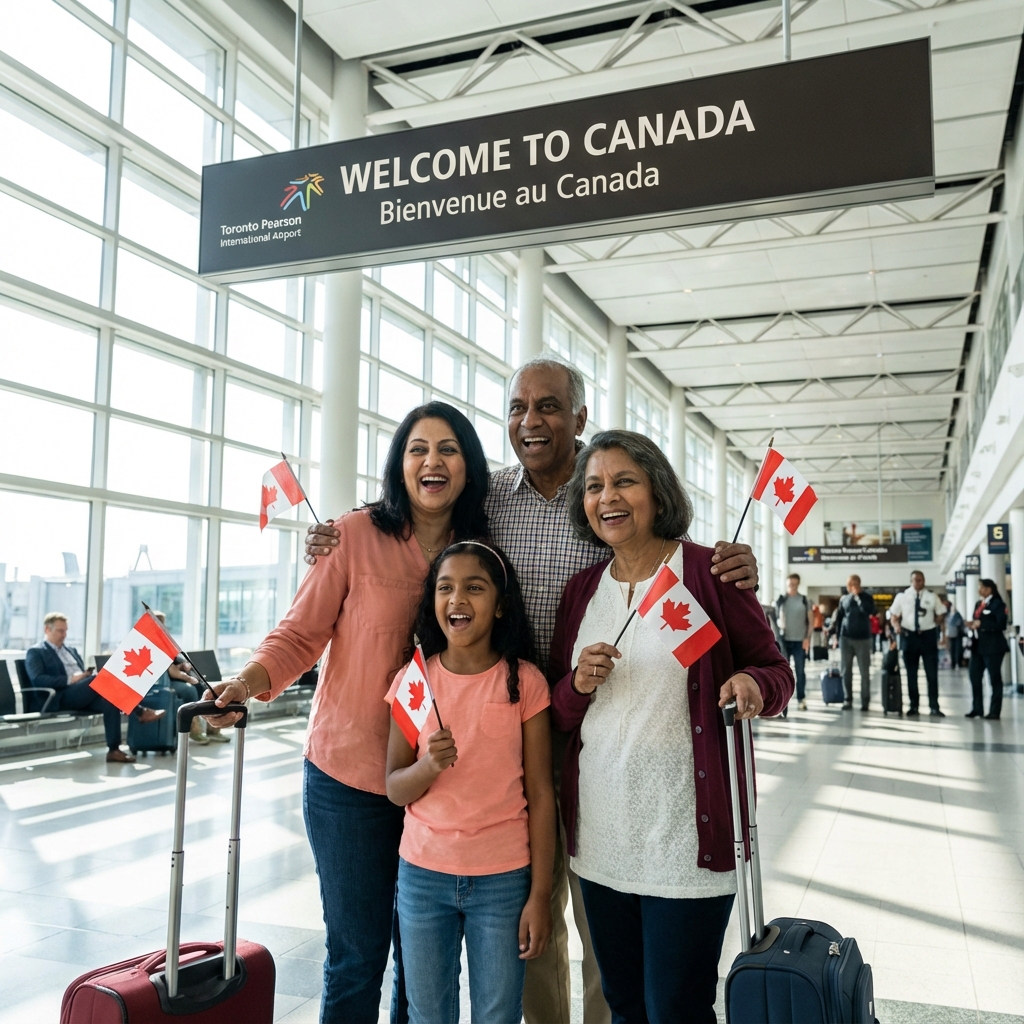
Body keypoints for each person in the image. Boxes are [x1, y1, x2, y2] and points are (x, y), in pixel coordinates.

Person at [304, 357, 761, 1024]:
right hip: (506, 734)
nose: (530, 421)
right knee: (531, 924)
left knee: (605, 928)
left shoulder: (607, 495)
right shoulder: (485, 498)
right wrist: (332, 535)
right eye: (518, 408)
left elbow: (658, 562)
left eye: (548, 407)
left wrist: (734, 570)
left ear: (579, 417)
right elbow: (413, 519)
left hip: (594, 742)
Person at [203, 402, 491, 1024]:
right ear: (399, 464)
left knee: (426, 960)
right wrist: (247, 683)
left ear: (468, 466)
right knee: (358, 955)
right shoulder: (354, 536)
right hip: (349, 779)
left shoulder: (483, 551)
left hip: (442, 783)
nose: (432, 461)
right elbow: (300, 634)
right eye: (418, 449)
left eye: (448, 449)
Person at [547, 430, 792, 1024]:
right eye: (595, 485)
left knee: (676, 1008)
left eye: (625, 481)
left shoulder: (708, 573)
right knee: (626, 1007)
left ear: (656, 491)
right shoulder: (582, 591)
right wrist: (578, 685)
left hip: (687, 841)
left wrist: (753, 686)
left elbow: (776, 670)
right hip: (602, 842)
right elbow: (557, 709)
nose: (609, 496)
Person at [386, 541, 555, 1023]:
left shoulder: (524, 682)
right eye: (446, 588)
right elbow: (396, 787)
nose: (457, 599)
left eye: (474, 588)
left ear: (500, 604)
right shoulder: (413, 682)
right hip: (422, 876)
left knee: (498, 1014)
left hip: (503, 880)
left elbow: (542, 796)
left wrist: (539, 895)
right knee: (428, 1013)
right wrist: (427, 766)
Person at [24, 613, 164, 763]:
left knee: (109, 699)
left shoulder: (71, 650)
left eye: (65, 631)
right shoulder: (36, 652)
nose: (64, 635)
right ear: (47, 629)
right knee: (102, 678)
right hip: (60, 696)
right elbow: (38, 680)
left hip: (80, 692)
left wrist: (84, 676)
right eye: (60, 631)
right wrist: (71, 679)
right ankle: (140, 711)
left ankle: (113, 750)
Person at [889, 570, 945, 717]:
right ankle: (914, 705)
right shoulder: (902, 597)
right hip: (909, 636)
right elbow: (894, 616)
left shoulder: (932, 597)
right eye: (916, 580)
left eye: (921, 580)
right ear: (911, 581)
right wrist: (896, 626)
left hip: (928, 636)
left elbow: (940, 614)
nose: (919, 582)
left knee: (932, 674)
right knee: (911, 674)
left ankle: (934, 706)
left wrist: (939, 622)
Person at [829, 576, 876, 711]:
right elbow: (839, 618)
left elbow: (871, 611)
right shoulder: (844, 599)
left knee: (864, 672)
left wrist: (858, 598)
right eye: (850, 584)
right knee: (846, 671)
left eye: (855, 584)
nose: (853, 586)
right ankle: (847, 699)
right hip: (846, 639)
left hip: (863, 639)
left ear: (859, 584)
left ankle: (865, 701)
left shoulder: (867, 597)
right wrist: (836, 637)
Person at [965, 578, 1008, 720]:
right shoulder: (979, 604)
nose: (979, 590)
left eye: (982, 587)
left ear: (989, 589)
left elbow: (1001, 624)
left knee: (994, 678)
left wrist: (981, 624)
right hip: (977, 646)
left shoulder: (998, 604)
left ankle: (995, 711)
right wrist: (972, 624)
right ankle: (977, 708)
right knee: (974, 676)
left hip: (993, 647)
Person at [775, 574, 812, 710]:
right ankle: (784, 703)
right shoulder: (781, 600)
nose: (792, 585)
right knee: (784, 672)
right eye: (790, 583)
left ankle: (801, 699)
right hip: (784, 642)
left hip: (799, 642)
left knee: (800, 672)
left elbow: (811, 622)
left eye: (795, 583)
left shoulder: (804, 600)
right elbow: (775, 620)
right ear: (786, 584)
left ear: (798, 584)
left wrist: (807, 638)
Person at [944, 598, 964, 670]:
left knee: (958, 649)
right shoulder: (948, 615)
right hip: (951, 634)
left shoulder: (958, 615)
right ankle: (953, 662)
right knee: (952, 649)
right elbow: (946, 624)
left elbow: (959, 623)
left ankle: (958, 662)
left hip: (957, 634)